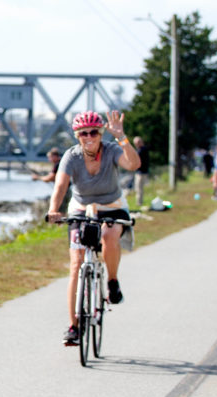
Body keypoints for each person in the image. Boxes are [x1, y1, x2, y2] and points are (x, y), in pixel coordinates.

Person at [46, 111, 140, 346]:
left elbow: (134, 164)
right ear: (77, 136)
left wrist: (121, 137)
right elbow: (60, 185)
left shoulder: (111, 149)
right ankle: (74, 326)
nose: (89, 137)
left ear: (101, 133)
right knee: (76, 264)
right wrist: (54, 209)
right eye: (84, 133)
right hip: (82, 208)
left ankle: (112, 281)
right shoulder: (71, 156)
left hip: (113, 206)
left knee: (109, 235)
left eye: (94, 132)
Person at [31, 147, 69, 212]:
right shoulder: (61, 163)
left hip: (63, 191)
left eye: (50, 157)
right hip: (65, 190)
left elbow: (50, 178)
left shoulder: (58, 165)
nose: (49, 159)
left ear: (55, 156)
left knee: (60, 210)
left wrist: (38, 178)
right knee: (62, 210)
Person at [132, 136, 150, 206]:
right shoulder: (144, 150)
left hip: (141, 173)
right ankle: (139, 202)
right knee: (139, 188)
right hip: (142, 172)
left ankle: (139, 203)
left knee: (139, 188)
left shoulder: (141, 151)